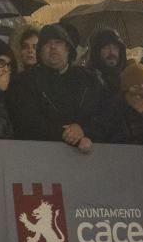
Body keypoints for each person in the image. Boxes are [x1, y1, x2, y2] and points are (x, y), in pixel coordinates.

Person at [8, 24, 114, 152]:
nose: (53, 47)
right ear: (40, 51)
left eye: (58, 42)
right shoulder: (25, 82)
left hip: (88, 155)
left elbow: (106, 113)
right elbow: (27, 121)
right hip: (41, 156)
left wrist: (84, 130)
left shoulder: (89, 79)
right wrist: (66, 134)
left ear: (67, 48)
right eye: (47, 44)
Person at [86, 27, 126, 95]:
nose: (112, 52)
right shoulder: (88, 80)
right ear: (97, 52)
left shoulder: (126, 77)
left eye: (115, 47)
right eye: (106, 47)